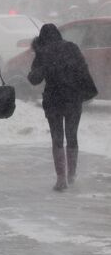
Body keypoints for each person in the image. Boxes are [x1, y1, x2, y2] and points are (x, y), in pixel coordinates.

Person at [28, 24, 97, 191]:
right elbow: (83, 70)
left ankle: (61, 179)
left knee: (57, 138)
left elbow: (35, 79)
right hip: (73, 98)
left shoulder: (43, 51)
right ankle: (72, 175)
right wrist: (87, 90)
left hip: (54, 99)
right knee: (72, 136)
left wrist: (38, 69)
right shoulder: (72, 48)